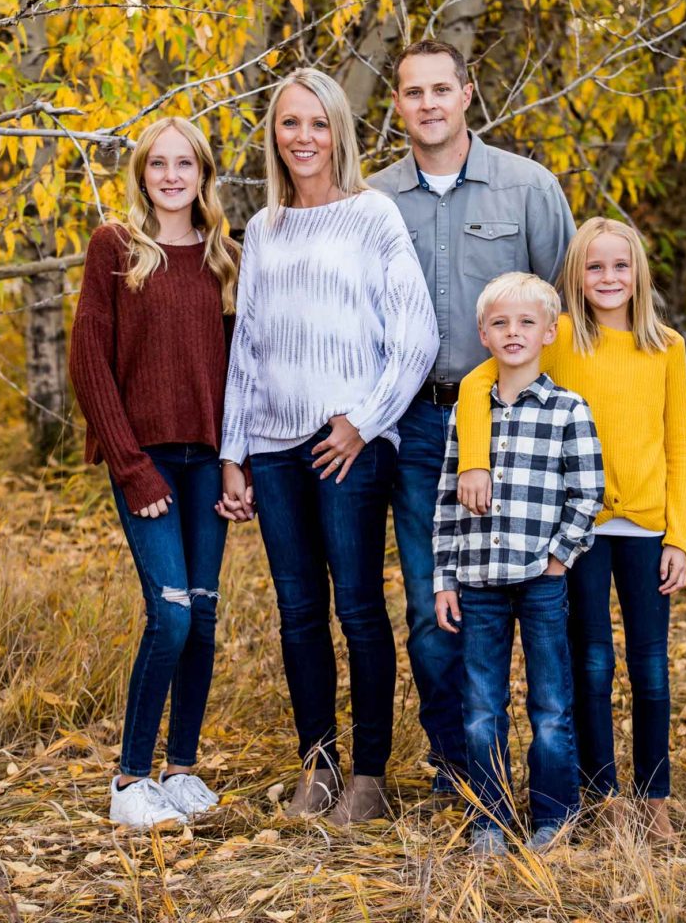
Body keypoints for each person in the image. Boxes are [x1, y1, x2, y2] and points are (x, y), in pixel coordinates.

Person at [218, 68, 439, 825]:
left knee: (358, 607)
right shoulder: (263, 229)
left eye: (317, 123)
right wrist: (232, 452)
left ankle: (369, 779)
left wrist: (364, 421)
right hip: (275, 450)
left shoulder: (372, 215)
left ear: (338, 131)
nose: (303, 137)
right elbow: (245, 346)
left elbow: (417, 333)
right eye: (289, 124)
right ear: (274, 135)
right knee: (298, 611)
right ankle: (318, 766)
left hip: (347, 442)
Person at [368, 40, 576, 791]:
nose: (427, 104)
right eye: (412, 92)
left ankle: (558, 768)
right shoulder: (374, 200)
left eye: (440, 89)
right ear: (396, 103)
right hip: (422, 428)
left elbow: (568, 307)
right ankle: (460, 766)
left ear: (467, 93)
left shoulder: (528, 189)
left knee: (541, 600)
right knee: (435, 609)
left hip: (521, 424)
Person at [455, 218, 686, 839]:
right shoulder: (558, 341)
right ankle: (601, 787)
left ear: (638, 271)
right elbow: (479, 381)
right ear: (576, 277)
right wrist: (474, 460)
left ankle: (654, 794)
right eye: (594, 267)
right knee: (589, 660)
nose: (608, 278)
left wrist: (678, 536)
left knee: (650, 665)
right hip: (578, 528)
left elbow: (679, 445)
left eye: (620, 266)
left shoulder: (665, 346)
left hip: (645, 527)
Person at [69, 117, 239, 828]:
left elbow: (245, 370)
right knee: (168, 615)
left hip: (208, 463)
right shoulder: (116, 248)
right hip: (146, 462)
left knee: (201, 615)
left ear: (203, 173)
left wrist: (239, 464)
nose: (172, 176)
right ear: (142, 175)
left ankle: (181, 770)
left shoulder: (226, 256)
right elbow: (88, 365)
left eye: (185, 164)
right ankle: (129, 780)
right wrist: (131, 468)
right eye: (158, 165)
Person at [434, 272, 603, 855]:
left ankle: (555, 814)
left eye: (526, 322)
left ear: (549, 332)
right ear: (483, 334)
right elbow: (446, 501)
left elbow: (587, 494)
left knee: (550, 703)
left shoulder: (568, 410)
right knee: (481, 707)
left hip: (540, 582)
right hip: (478, 582)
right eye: (500, 323)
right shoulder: (468, 414)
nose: (513, 332)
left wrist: (559, 558)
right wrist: (444, 578)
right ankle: (490, 819)